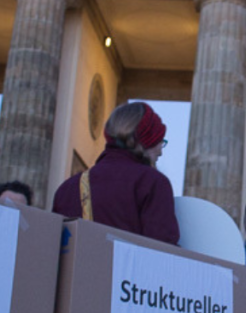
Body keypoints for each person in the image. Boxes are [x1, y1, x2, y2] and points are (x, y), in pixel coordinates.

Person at [51, 101, 179, 245]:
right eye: (159, 142)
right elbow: (163, 252)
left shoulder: (66, 189)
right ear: (146, 140)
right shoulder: (152, 183)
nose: (161, 152)